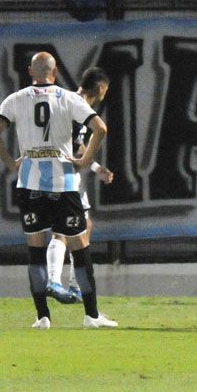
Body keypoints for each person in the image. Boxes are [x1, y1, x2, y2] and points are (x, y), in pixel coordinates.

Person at [0, 52, 115, 329]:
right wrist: (85, 161)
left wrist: (11, 163)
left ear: (29, 71)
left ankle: (42, 317)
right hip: (64, 184)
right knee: (79, 248)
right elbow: (101, 128)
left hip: (30, 185)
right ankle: (91, 315)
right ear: (55, 71)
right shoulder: (69, 98)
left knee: (35, 250)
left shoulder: (16, 99)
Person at [46, 68, 114, 305]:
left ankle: (72, 285)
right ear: (101, 88)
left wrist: (96, 169)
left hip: (54, 173)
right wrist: (80, 162)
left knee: (82, 227)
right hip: (63, 176)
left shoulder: (67, 101)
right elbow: (96, 134)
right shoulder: (79, 106)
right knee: (65, 231)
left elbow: (78, 147)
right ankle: (56, 281)